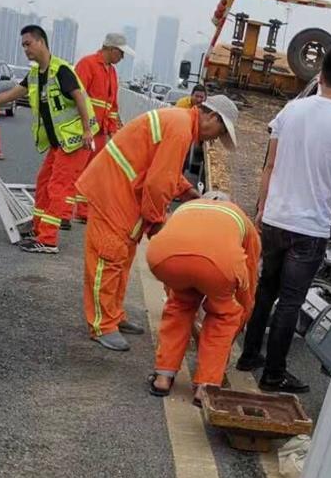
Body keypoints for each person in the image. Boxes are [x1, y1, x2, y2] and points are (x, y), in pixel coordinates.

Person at [236, 43, 331, 394]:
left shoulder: (290, 111)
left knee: (266, 290)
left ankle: (249, 356)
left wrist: (263, 207)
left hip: (276, 220)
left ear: (321, 76)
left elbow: (269, 165)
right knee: (291, 302)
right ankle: (274, 374)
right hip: (309, 229)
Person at [75, 94, 240, 351]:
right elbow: (157, 184)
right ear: (212, 117)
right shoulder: (181, 130)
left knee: (122, 259)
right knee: (108, 259)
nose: (215, 139)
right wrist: (157, 223)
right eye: (219, 132)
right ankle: (102, 324)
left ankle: (114, 315)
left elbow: (166, 172)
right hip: (114, 192)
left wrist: (189, 194)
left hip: (122, 191)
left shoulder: (180, 123)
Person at [0, 24, 96, 254]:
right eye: (23, 45)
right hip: (60, 141)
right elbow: (8, 95)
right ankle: (39, 229)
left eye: (28, 44)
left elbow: (79, 97)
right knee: (44, 182)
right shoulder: (35, 75)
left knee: (57, 186)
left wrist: (87, 131)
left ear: (41, 42)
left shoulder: (60, 70)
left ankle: (49, 240)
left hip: (75, 141)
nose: (25, 49)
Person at [146, 193, 260, 403]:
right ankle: (205, 387)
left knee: (179, 306)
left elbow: (171, 280)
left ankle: (162, 378)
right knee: (223, 316)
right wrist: (241, 314)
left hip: (162, 256)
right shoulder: (242, 221)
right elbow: (249, 281)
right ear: (228, 203)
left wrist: (173, 293)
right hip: (220, 266)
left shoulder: (186, 208)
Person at [71, 33, 132, 226]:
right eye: (121, 53)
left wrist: (112, 130)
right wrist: (84, 127)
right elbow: (77, 97)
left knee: (93, 173)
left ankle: (83, 210)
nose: (122, 58)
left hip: (100, 132)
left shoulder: (112, 72)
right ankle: (63, 214)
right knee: (73, 169)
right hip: (84, 129)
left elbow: (112, 106)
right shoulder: (87, 64)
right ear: (112, 49)